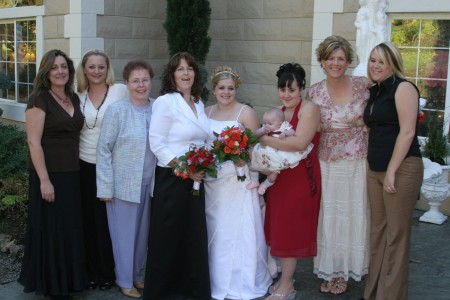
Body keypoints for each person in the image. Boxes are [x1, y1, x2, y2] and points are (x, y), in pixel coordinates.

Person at [18, 49, 86, 299]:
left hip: (72, 172)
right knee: (53, 229)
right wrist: (44, 181)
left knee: (70, 228)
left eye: (64, 67)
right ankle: (53, 284)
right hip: (49, 175)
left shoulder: (73, 98)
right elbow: (33, 143)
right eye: (54, 67)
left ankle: (70, 280)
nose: (60, 71)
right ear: (46, 72)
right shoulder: (39, 99)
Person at [143, 52, 211, 300]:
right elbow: (157, 144)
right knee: (167, 237)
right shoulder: (165, 102)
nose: (186, 73)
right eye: (180, 69)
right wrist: (184, 168)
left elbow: (205, 139)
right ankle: (162, 292)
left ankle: (191, 290)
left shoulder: (199, 102)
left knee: (192, 236)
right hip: (172, 178)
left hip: (196, 178)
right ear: (172, 75)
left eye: (190, 69)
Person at [306, 35, 370, 295]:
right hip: (328, 162)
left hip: (358, 160)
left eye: (341, 58)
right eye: (331, 58)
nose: (336, 62)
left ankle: (346, 271)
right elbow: (306, 125)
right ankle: (331, 270)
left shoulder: (363, 86)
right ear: (322, 61)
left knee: (354, 214)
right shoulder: (315, 91)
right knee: (330, 216)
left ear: (348, 61)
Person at [203, 66, 272, 300]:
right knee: (216, 228)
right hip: (214, 180)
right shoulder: (206, 111)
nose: (226, 92)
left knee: (239, 228)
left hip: (239, 179)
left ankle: (241, 280)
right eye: (221, 88)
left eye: (230, 88)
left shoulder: (246, 112)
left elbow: (255, 148)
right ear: (213, 90)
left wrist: (240, 157)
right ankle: (215, 279)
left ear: (236, 90)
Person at [362, 42, 423, 300]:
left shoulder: (404, 87)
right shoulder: (375, 91)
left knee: (396, 236)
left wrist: (392, 171)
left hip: (401, 169)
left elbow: (408, 131)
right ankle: (374, 292)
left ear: (393, 64)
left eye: (381, 61)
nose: (375, 65)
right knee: (378, 232)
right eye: (373, 60)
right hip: (376, 168)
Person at [96, 60, 156, 299]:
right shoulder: (117, 110)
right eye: (135, 81)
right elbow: (104, 150)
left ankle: (139, 275)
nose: (141, 85)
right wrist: (105, 187)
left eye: (145, 80)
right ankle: (124, 279)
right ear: (127, 83)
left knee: (143, 235)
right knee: (124, 237)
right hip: (123, 186)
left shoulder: (157, 108)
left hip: (151, 184)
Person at [262, 63, 321, 300]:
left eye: (292, 90)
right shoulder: (277, 111)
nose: (286, 95)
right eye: (282, 89)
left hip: (300, 179)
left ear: (302, 89)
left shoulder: (309, 109)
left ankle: (287, 286)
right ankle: (286, 277)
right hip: (279, 180)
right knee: (279, 227)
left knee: (290, 230)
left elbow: (299, 143)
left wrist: (267, 139)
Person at [76, 49, 128, 291]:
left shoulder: (120, 90)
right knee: (89, 220)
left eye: (101, 66)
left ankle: (109, 271)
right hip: (84, 164)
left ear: (108, 69)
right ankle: (92, 271)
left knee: (108, 222)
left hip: (113, 165)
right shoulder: (78, 94)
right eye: (91, 66)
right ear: (84, 70)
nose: (96, 71)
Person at [251, 107, 313, 195]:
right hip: (265, 154)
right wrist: (262, 130)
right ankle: (254, 181)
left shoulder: (284, 126)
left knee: (272, 177)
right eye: (265, 123)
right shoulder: (265, 128)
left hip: (276, 156)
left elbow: (292, 132)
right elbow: (256, 133)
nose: (267, 125)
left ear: (280, 123)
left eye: (270, 123)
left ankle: (264, 185)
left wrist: (285, 133)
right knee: (254, 167)